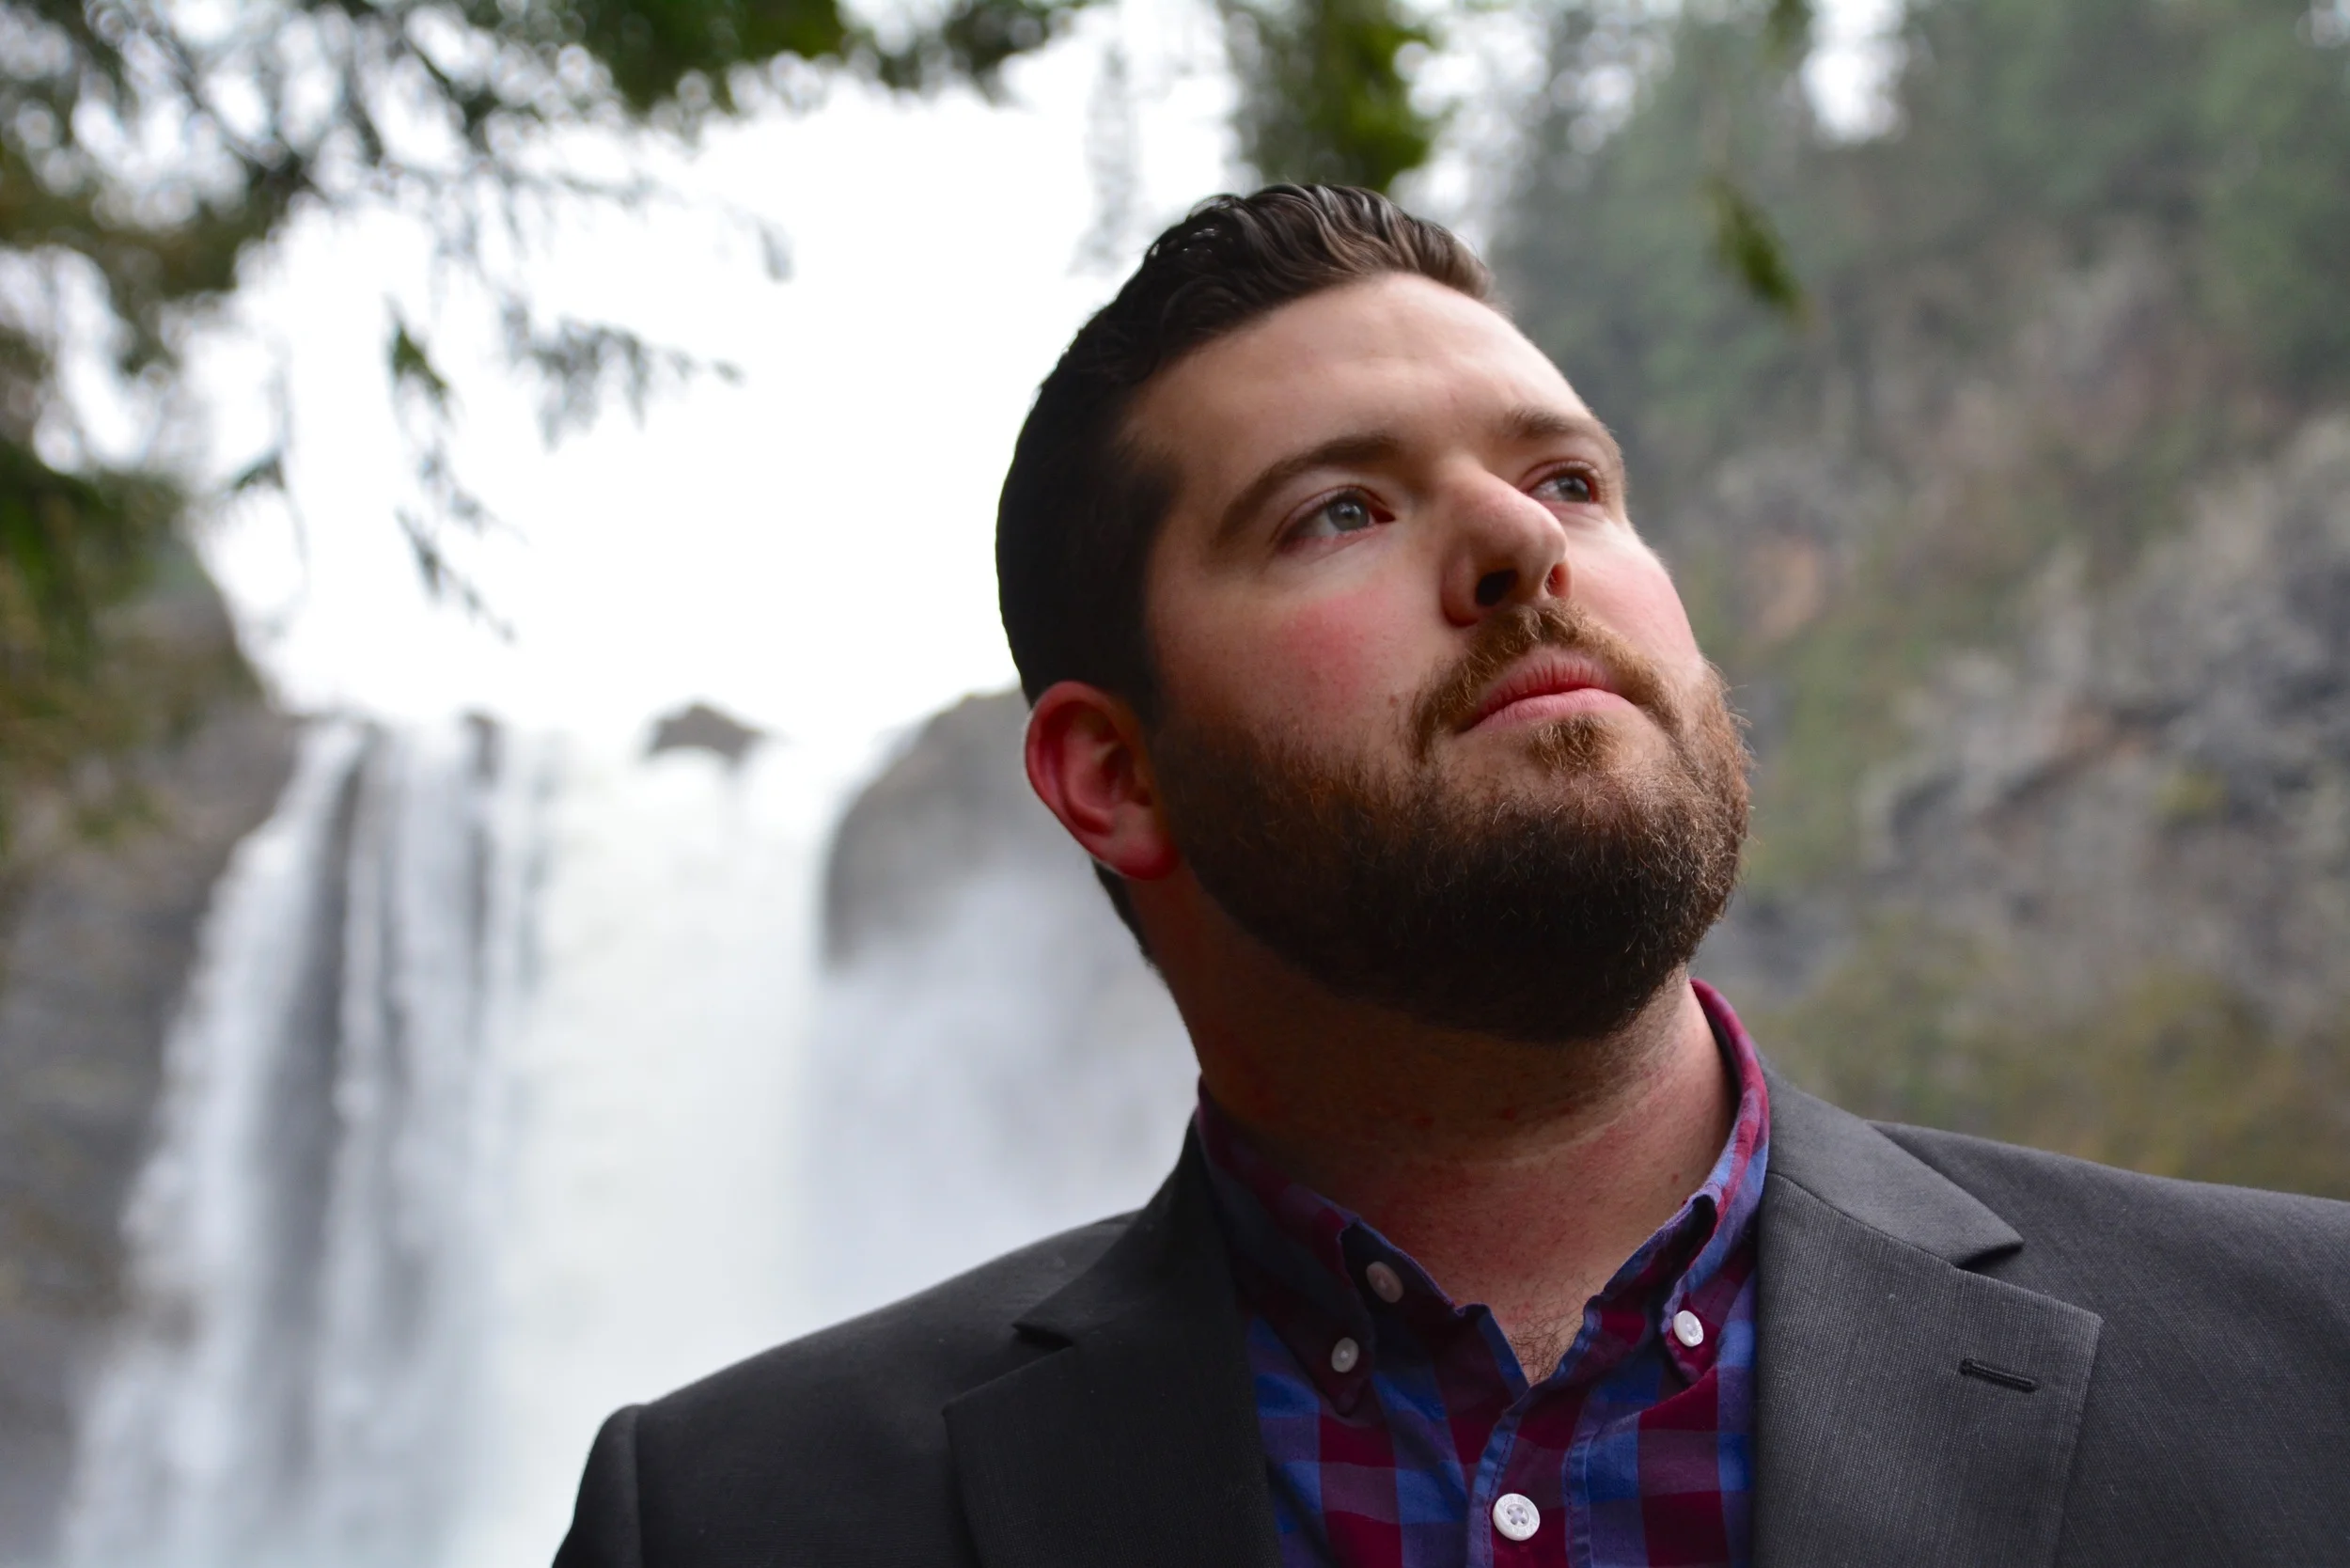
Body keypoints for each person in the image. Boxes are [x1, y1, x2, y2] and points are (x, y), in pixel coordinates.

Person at [552, 186, 2350, 1568]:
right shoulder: (725, 1522)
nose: (1514, 540)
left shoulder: (2309, 1362)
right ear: (1114, 775)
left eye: (1569, 480)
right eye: (1339, 509)